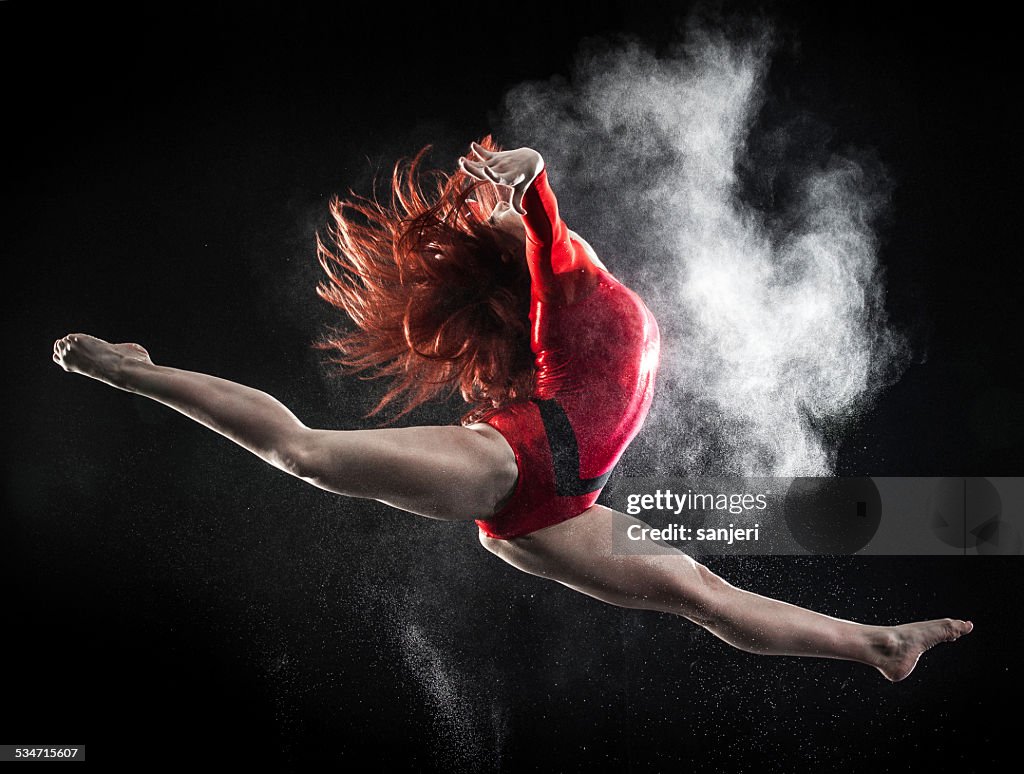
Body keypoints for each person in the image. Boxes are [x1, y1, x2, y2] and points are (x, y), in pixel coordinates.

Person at [53, 138, 972, 681]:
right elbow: (537, 207)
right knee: (306, 454)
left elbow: (542, 213)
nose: (496, 223)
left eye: (495, 222)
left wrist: (522, 182)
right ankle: (139, 373)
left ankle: (878, 646)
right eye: (492, 223)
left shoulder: (570, 278)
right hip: (520, 465)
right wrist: (520, 181)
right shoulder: (555, 286)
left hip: (559, 509)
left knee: (706, 598)